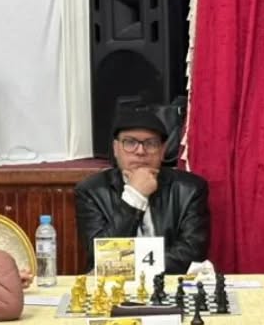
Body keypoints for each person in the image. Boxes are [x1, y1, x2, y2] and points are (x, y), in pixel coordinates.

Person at [75, 102, 210, 274]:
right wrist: (135, 196)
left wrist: (126, 265)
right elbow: (100, 255)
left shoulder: (190, 189)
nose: (140, 151)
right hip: (112, 285)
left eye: (150, 143)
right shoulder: (91, 191)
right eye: (130, 142)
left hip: (169, 283)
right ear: (116, 149)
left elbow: (192, 254)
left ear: (163, 150)